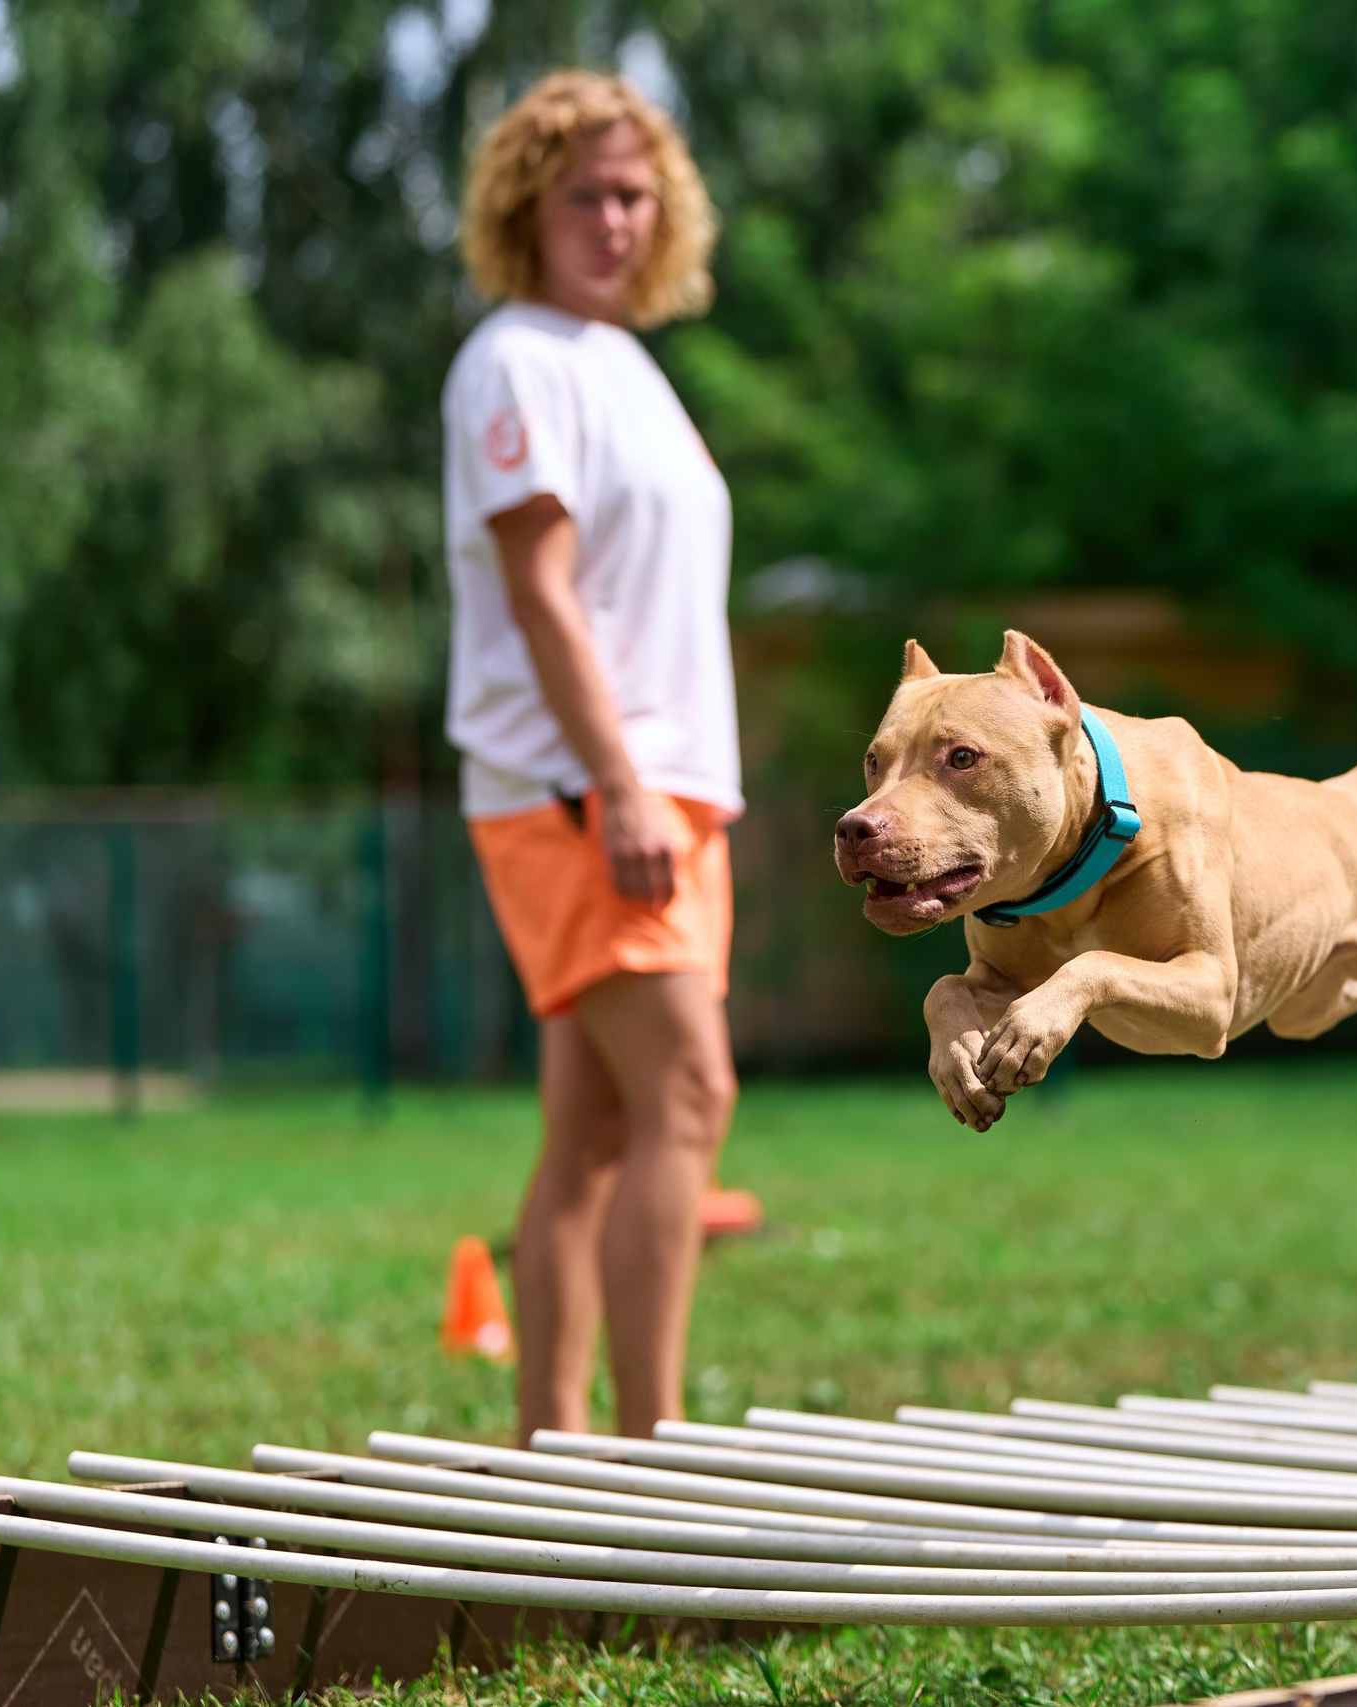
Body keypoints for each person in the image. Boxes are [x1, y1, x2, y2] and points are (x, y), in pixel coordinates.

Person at [444, 71, 738, 1441]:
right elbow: (541, 591)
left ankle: (553, 1447)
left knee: (597, 1134)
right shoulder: (517, 360)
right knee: (690, 1088)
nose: (614, 220)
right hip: (581, 786)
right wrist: (617, 782)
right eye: (584, 196)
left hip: (662, 784)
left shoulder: (623, 363)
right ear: (526, 207)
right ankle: (650, 1452)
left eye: (635, 194)